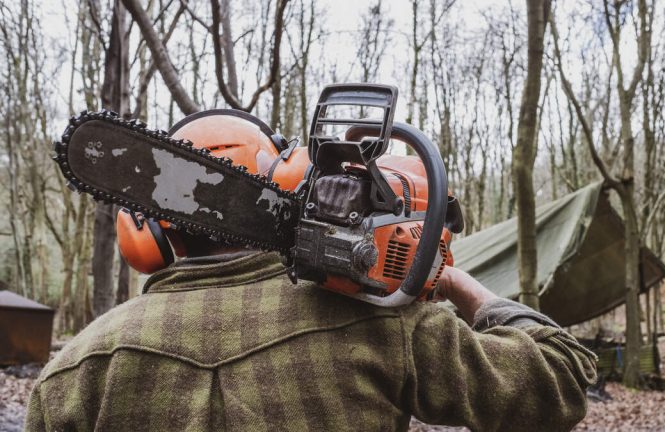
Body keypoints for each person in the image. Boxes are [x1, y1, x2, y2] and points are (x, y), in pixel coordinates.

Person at [26, 111, 596, 431]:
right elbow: (560, 383)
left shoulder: (76, 373)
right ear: (289, 186)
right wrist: (452, 280)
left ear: (147, 229)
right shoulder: (382, 325)